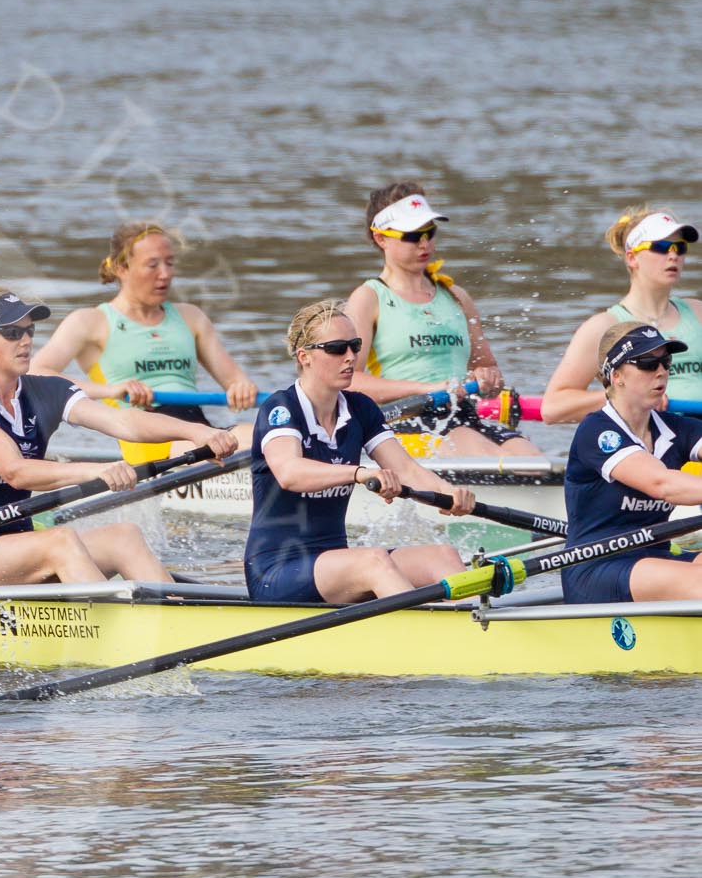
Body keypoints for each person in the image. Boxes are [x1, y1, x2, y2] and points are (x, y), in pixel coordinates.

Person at [0, 286, 238, 588]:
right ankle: (123, 631)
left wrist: (198, 432)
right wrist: (96, 470)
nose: (25, 341)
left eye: (29, 331)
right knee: (60, 541)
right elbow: (16, 471)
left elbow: (124, 422)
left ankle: (176, 619)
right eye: (11, 333)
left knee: (123, 536)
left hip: (19, 546)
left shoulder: (45, 390)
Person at [245, 298, 477, 604]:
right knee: (374, 561)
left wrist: (449, 493)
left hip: (333, 561)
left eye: (355, 346)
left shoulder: (360, 407)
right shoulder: (281, 408)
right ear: (305, 357)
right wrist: (358, 473)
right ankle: (429, 639)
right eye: (336, 348)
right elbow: (290, 474)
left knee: (442, 556)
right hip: (277, 569)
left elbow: (406, 469)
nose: (351, 356)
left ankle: (478, 631)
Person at [29, 221, 257, 463]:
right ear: (121, 268)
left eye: (169, 263)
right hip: (146, 437)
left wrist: (241, 387)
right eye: (152, 265)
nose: (166, 273)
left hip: (201, 430)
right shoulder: (90, 322)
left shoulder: (191, 317)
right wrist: (112, 390)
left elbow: (235, 380)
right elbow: (36, 374)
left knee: (270, 436)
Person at [343, 182, 538, 457]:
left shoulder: (456, 297)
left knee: (531, 457)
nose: (424, 244)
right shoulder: (368, 298)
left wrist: (487, 379)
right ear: (381, 238)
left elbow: (488, 368)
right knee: (474, 445)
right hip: (401, 422)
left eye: (429, 233)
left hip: (462, 415)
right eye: (412, 236)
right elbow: (350, 382)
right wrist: (429, 389)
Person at [559, 325, 702, 603]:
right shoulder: (598, 432)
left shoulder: (677, 428)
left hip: (656, 556)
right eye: (648, 364)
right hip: (597, 568)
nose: (661, 371)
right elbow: (662, 484)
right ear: (616, 375)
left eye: (666, 362)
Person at [540, 208, 702, 425]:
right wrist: (629, 398)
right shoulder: (604, 327)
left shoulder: (698, 313)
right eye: (661, 247)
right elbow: (553, 408)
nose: (673, 255)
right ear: (632, 257)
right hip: (650, 436)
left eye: (679, 248)